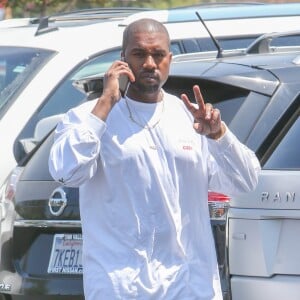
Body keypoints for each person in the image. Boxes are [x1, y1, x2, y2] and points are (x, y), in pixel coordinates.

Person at [49, 18, 260, 300]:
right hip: (121, 288)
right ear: (122, 60)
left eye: (158, 54)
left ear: (169, 60)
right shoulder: (87, 117)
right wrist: (105, 103)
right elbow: (66, 172)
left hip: (190, 286)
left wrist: (218, 135)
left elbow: (246, 180)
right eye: (139, 54)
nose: (149, 63)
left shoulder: (192, 117)